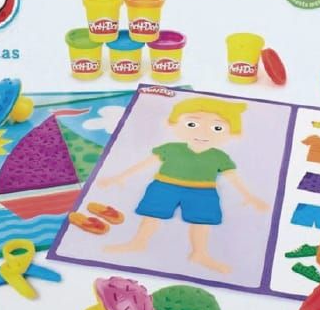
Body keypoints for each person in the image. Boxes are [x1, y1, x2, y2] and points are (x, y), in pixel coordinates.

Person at [100, 96, 267, 274]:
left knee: (202, 220)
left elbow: (232, 177)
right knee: (152, 214)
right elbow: (146, 163)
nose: (203, 133)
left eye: (217, 128)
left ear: (232, 133)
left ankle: (200, 253)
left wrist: (249, 196)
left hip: (203, 192)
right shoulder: (171, 148)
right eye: (192, 124)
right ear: (173, 124)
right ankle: (138, 242)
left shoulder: (219, 156)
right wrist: (119, 176)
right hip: (165, 185)